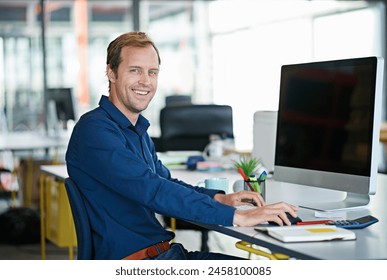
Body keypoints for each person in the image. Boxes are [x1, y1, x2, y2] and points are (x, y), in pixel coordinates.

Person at [65, 31, 299, 260]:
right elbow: (154, 190)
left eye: (152, 72)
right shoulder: (94, 130)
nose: (145, 81)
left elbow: (165, 182)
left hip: (164, 254)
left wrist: (219, 199)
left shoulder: (136, 131)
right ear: (111, 73)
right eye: (135, 70)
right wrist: (237, 216)